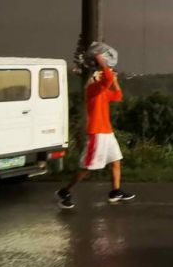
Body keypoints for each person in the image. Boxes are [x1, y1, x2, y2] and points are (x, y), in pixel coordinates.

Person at [56, 52, 135, 209]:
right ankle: (65, 191)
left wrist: (116, 81)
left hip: (107, 132)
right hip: (97, 133)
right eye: (99, 74)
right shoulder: (92, 89)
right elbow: (107, 79)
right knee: (87, 168)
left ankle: (115, 192)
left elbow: (118, 96)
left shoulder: (103, 92)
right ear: (94, 77)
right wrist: (102, 63)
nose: (103, 74)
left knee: (116, 162)